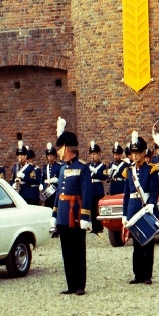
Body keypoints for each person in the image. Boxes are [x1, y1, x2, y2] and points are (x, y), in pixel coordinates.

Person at [51, 117, 92, 295]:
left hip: (75, 214)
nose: (58, 151)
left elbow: (87, 193)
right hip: (63, 214)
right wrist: (54, 214)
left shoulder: (83, 168)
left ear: (67, 148)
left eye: (60, 148)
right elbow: (59, 193)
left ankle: (80, 285)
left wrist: (84, 216)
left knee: (77, 250)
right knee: (66, 251)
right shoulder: (61, 168)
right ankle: (71, 284)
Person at [121, 131, 159, 285]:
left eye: (138, 153)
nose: (135, 156)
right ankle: (138, 274)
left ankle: (147, 275)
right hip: (133, 208)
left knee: (148, 242)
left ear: (144, 153)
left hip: (146, 208)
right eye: (133, 153)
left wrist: (151, 203)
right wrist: (125, 214)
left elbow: (155, 189)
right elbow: (126, 195)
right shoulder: (128, 171)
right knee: (136, 243)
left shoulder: (151, 169)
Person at [88, 141, 108, 233]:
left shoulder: (102, 166)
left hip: (98, 188)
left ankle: (100, 227)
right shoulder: (88, 166)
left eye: (95, 154)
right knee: (92, 209)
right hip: (90, 188)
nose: (93, 156)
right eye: (91, 154)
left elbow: (104, 177)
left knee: (98, 209)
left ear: (99, 154)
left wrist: (96, 172)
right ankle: (94, 227)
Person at [12, 141, 40, 205]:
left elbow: (33, 181)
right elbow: (12, 179)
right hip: (18, 194)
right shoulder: (15, 167)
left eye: (22, 155)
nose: (20, 157)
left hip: (27, 195)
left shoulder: (30, 167)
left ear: (25, 156)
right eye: (19, 155)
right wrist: (13, 185)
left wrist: (24, 177)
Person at [41, 142, 61, 209]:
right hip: (46, 190)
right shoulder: (45, 167)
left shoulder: (58, 166)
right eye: (48, 155)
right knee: (47, 207)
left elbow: (60, 178)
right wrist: (41, 185)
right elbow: (42, 178)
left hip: (54, 190)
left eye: (51, 155)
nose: (50, 157)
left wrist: (56, 180)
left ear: (55, 156)